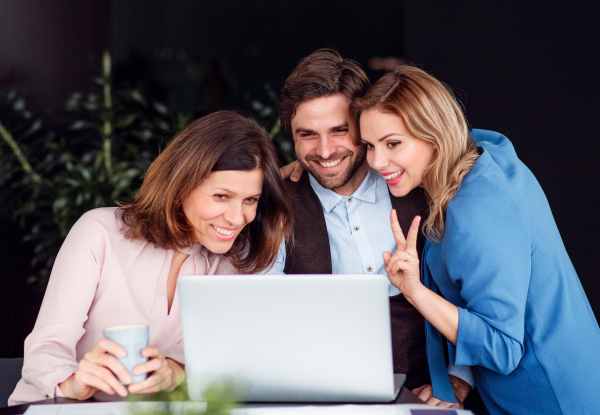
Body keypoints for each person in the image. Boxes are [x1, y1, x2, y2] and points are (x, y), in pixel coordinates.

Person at [350, 64, 600, 414]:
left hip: (549, 398)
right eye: (368, 145)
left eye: (393, 143)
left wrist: (414, 292)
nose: (376, 161)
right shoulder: (487, 151)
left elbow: (502, 348)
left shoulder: (477, 213)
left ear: (434, 134)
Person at [9, 111, 293, 405]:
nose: (237, 217)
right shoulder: (99, 233)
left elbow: (215, 361)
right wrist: (72, 382)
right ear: (181, 186)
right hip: (55, 409)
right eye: (221, 196)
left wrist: (176, 372)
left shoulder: (232, 267)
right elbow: (45, 348)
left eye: (251, 200)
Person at [271, 49, 474, 407]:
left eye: (340, 130)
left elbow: (469, 294)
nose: (325, 150)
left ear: (365, 125)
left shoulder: (419, 185)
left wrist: (458, 380)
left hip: (426, 396)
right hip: (322, 401)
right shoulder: (276, 205)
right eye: (307, 135)